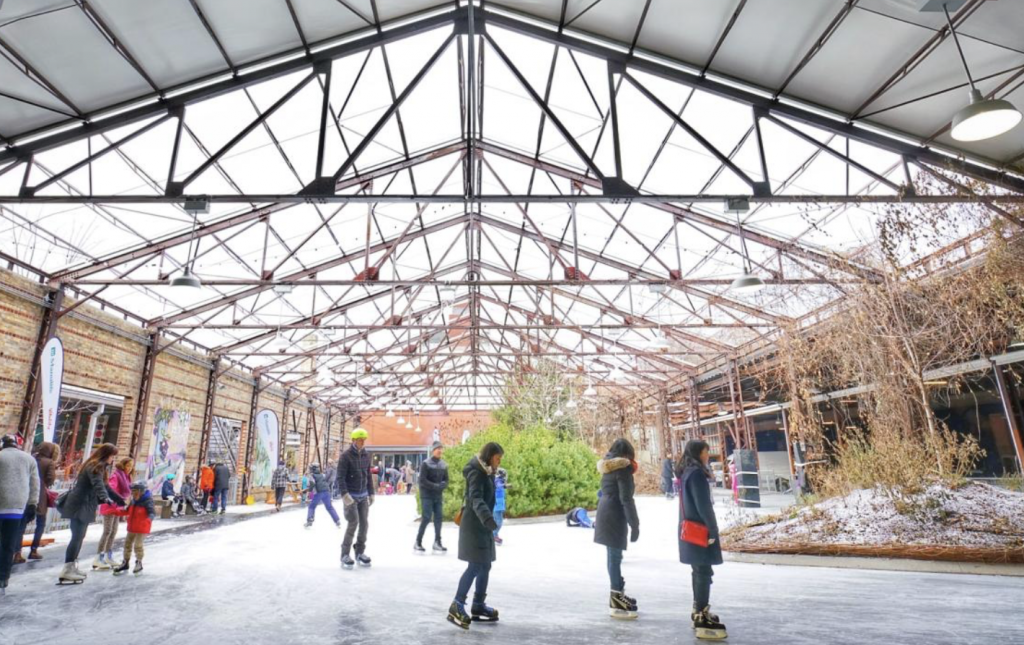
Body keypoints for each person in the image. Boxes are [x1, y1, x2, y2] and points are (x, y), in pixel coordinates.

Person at [447, 442, 503, 630]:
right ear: (489, 456)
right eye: (497, 458)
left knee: (485, 565)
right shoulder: (476, 472)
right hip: (474, 525)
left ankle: (478, 605)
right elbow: (476, 498)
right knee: (475, 565)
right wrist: (488, 519)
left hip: (482, 526)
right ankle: (457, 604)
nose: (499, 461)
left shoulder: (486, 471)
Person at [56, 443, 126, 585]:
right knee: (77, 537)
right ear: (107, 455)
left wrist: (119, 500)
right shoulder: (95, 466)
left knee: (79, 536)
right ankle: (67, 569)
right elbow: (98, 485)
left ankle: (71, 566)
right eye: (113, 456)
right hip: (80, 504)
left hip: (84, 504)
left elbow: (105, 486)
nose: (113, 459)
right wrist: (105, 498)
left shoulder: (98, 467)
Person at [678, 439, 727, 640]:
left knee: (699, 570)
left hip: (689, 527)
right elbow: (703, 506)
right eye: (706, 452)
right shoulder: (696, 474)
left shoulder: (686, 472)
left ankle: (699, 610)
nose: (708, 455)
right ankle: (701, 615)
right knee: (703, 570)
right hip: (699, 529)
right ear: (699, 453)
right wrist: (713, 530)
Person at [594, 438, 640, 620]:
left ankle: (618, 593)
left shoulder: (608, 467)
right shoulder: (622, 469)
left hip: (605, 511)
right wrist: (635, 524)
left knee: (614, 555)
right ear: (627, 454)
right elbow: (626, 499)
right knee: (614, 556)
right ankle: (615, 598)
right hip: (615, 513)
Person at [0, 434, 40, 596]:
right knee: (9, 543)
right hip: (16, 507)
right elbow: (35, 483)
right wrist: (32, 504)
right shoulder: (29, 459)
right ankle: (3, 577)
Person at [337, 428, 374, 569]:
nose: (362, 442)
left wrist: (371, 492)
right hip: (351, 497)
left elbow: (368, 476)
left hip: (363, 495)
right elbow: (340, 478)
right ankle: (345, 554)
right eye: (360, 440)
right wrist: (345, 495)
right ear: (353, 440)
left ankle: (359, 552)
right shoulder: (346, 456)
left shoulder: (366, 455)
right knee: (354, 523)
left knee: (364, 524)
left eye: (363, 440)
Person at [19, 442, 60, 562]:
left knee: (22, 525)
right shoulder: (49, 462)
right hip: (40, 496)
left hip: (25, 493)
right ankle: (33, 550)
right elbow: (50, 479)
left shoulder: (31, 458)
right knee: (40, 523)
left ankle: (17, 552)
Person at [94, 457, 133, 570]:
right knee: (107, 531)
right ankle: (98, 556)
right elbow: (111, 488)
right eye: (128, 466)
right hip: (110, 506)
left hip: (118, 507)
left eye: (131, 466)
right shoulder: (117, 475)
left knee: (113, 531)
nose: (129, 469)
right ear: (123, 465)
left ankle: (108, 555)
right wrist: (118, 499)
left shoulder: (126, 477)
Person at [112, 482, 155, 577]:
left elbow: (152, 513)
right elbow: (127, 511)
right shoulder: (133, 501)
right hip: (132, 526)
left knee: (138, 545)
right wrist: (116, 511)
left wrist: (148, 520)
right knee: (127, 544)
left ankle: (139, 562)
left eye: (135, 492)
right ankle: (125, 562)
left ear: (141, 491)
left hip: (142, 527)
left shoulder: (148, 501)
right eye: (132, 492)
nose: (133, 494)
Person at [415, 441, 448, 554]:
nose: (439, 450)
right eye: (437, 448)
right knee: (426, 518)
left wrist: (443, 485)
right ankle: (418, 542)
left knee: (439, 518)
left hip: (438, 495)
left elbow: (446, 479)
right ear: (433, 450)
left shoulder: (443, 464)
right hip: (427, 495)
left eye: (441, 448)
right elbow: (422, 480)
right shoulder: (426, 463)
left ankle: (437, 542)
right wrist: (435, 486)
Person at [304, 463, 340, 529]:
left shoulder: (312, 475)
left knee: (311, 506)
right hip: (326, 492)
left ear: (312, 469)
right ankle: (337, 520)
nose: (309, 469)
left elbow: (312, 483)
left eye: (309, 468)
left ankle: (310, 520)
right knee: (329, 507)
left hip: (319, 493)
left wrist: (309, 492)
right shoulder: (321, 474)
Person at [492, 467, 508, 545]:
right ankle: (493, 535)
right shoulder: (496, 480)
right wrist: (505, 485)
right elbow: (498, 485)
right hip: (496, 505)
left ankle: (494, 535)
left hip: (500, 505)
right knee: (498, 522)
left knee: (498, 521)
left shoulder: (500, 481)